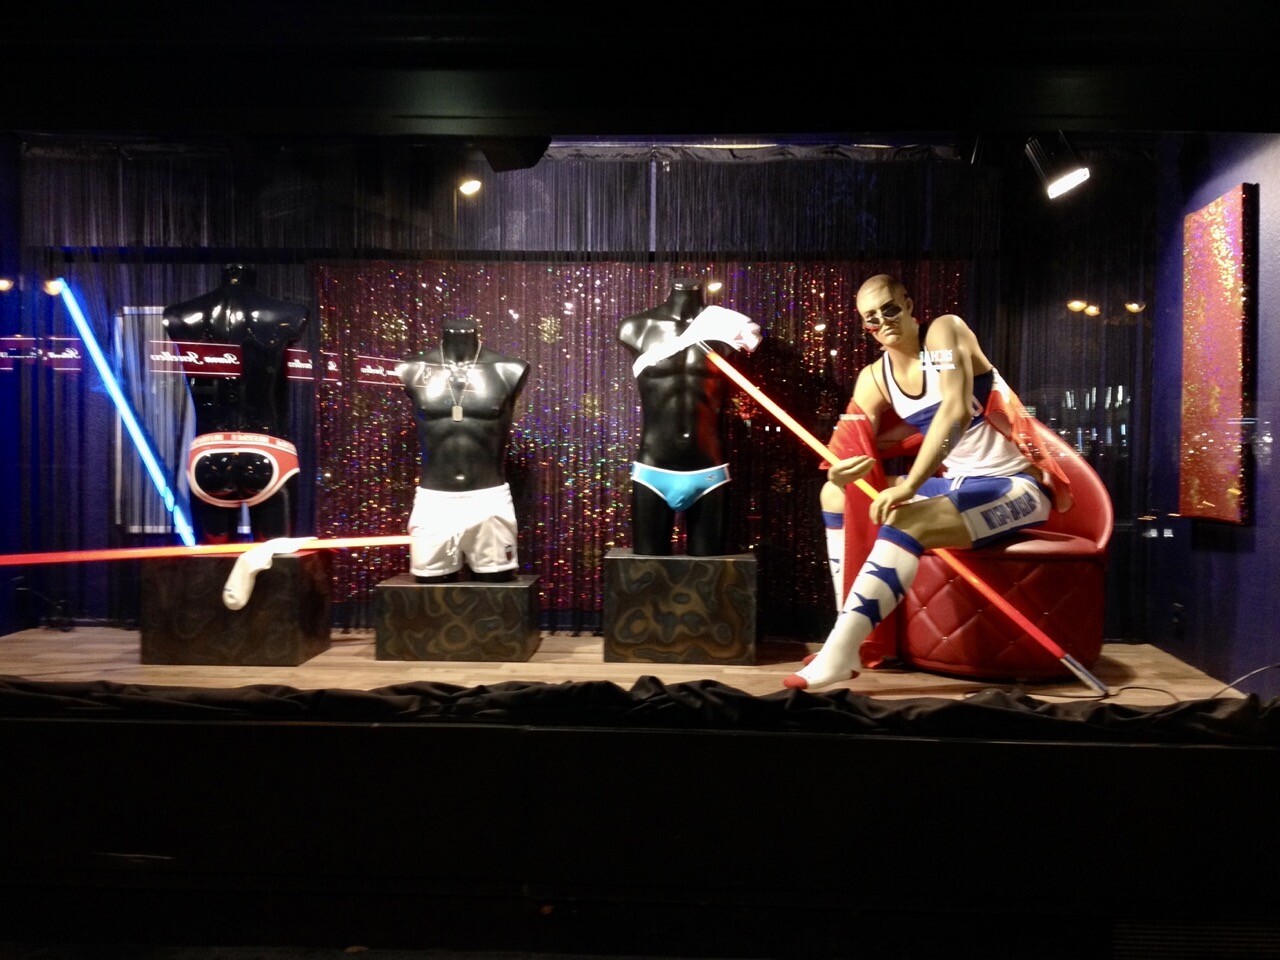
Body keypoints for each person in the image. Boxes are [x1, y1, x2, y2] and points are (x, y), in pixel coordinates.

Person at [785, 274, 1072, 691]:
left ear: (908, 304)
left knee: (909, 520)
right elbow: (848, 443)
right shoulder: (876, 376)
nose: (883, 321)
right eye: (871, 317)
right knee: (835, 494)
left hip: (1017, 486)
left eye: (889, 309)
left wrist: (909, 485)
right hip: (957, 484)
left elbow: (955, 412)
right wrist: (838, 470)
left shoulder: (942, 334)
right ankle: (848, 639)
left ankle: (839, 653)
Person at [163, 264, 309, 544]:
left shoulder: (179, 315)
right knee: (275, 564)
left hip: (209, 452)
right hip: (269, 447)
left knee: (212, 564)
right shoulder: (289, 313)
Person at [617, 278, 761, 556]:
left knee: (710, 576)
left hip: (710, 470)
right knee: (647, 573)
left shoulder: (728, 328)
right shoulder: (634, 327)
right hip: (652, 468)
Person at [396, 316, 529, 583]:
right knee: (430, 589)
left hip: (488, 498)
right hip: (434, 501)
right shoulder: (412, 368)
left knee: (498, 591)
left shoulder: (508, 369)